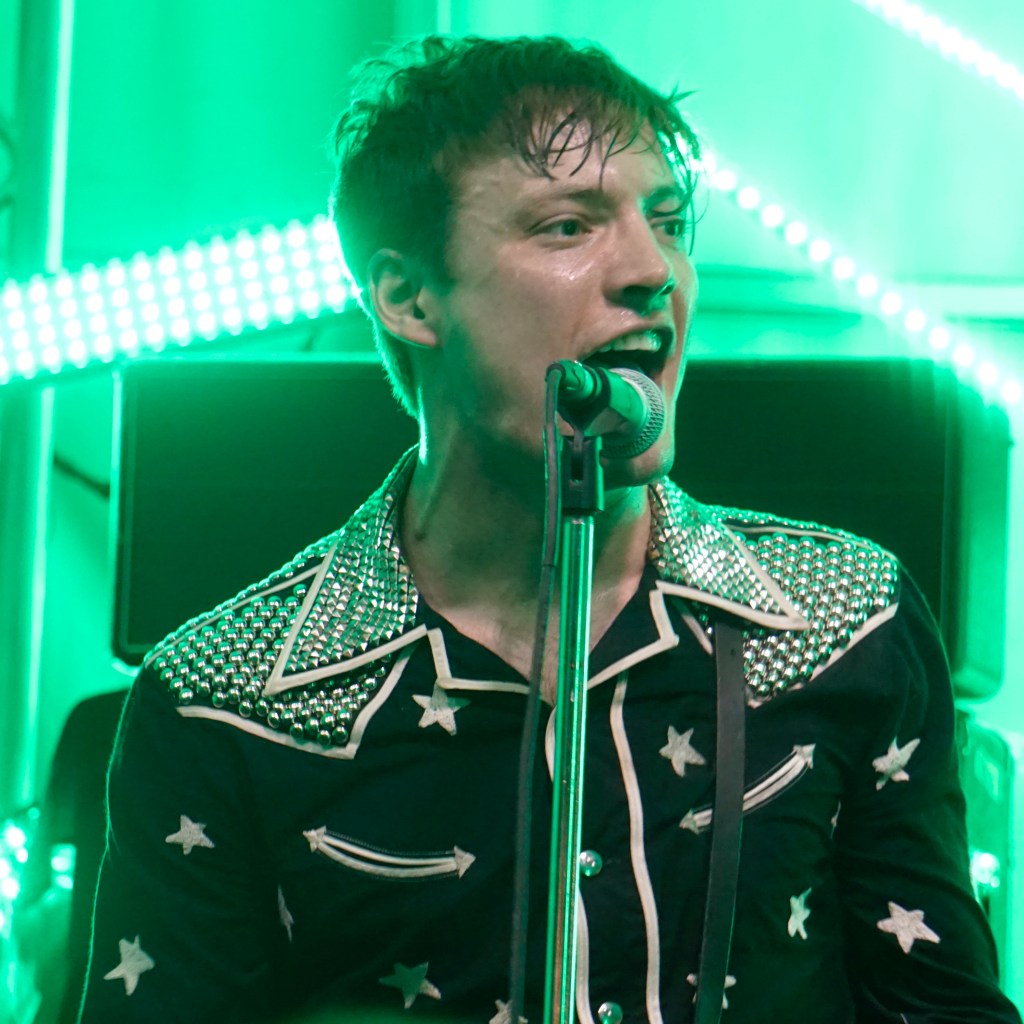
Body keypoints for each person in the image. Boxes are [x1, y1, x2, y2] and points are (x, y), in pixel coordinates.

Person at [78, 34, 1020, 1024]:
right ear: (407, 298)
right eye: (567, 226)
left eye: (668, 222)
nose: (653, 270)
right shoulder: (222, 697)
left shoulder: (845, 619)